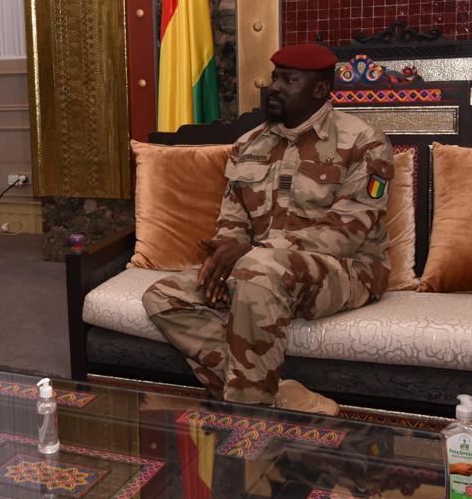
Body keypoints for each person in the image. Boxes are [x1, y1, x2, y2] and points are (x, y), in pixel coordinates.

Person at [142, 43, 395, 416]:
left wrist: (252, 253)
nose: (274, 87)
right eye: (275, 77)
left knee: (257, 270)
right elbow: (232, 220)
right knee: (164, 296)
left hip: (349, 271)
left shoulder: (364, 142)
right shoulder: (249, 144)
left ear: (320, 89)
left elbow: (345, 233)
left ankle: (249, 417)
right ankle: (270, 393)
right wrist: (226, 253)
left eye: (289, 80)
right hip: (261, 270)